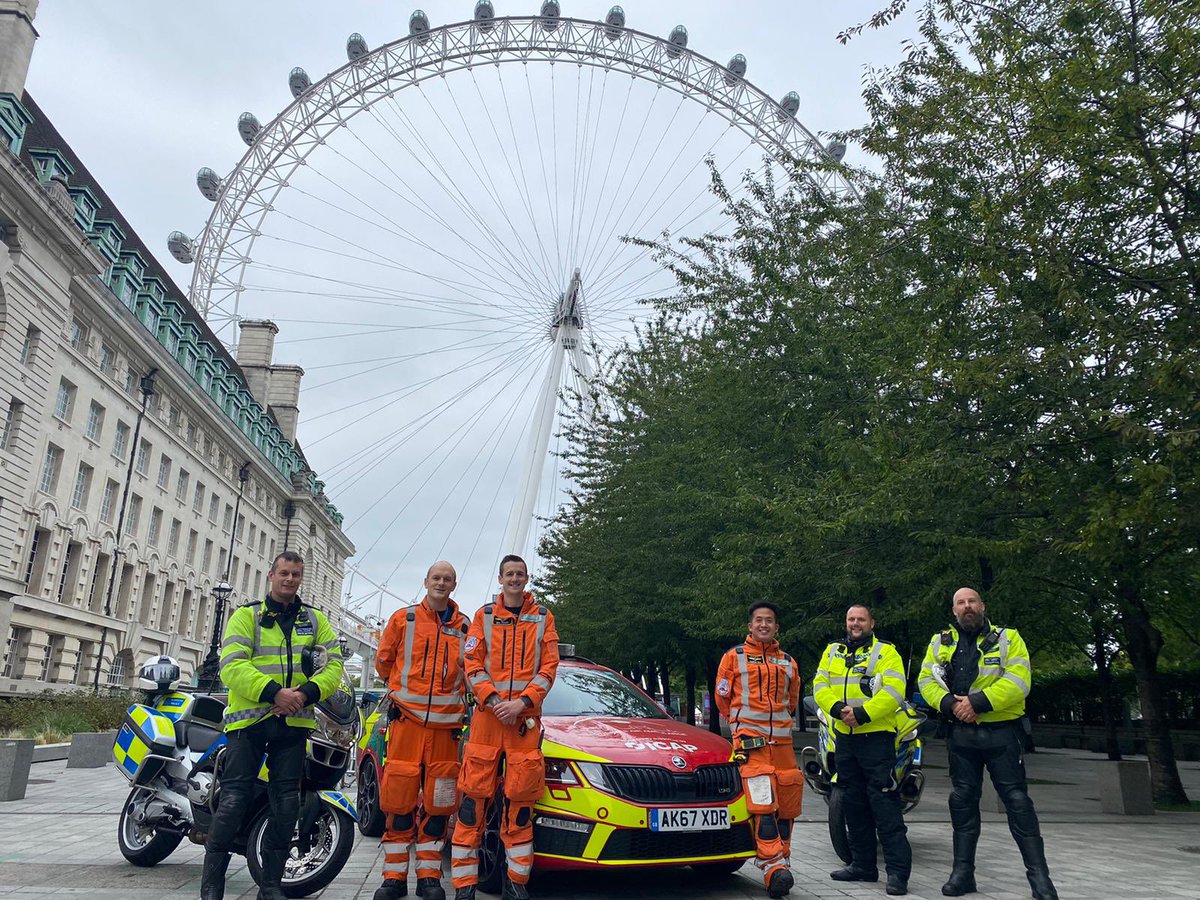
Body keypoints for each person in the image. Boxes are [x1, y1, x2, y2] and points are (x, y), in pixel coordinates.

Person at [201, 551, 344, 900]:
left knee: (285, 805)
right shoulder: (246, 616)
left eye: (296, 574)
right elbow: (231, 666)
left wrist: (307, 693)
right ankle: (211, 888)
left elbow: (333, 665)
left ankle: (270, 886)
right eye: (284, 573)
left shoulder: (314, 620)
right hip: (249, 723)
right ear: (271, 575)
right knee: (233, 800)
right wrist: (274, 693)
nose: (290, 579)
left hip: (293, 724)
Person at [918, 587, 1057, 900]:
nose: (967, 607)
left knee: (1018, 802)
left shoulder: (1009, 638)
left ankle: (1040, 878)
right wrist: (950, 704)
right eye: (960, 603)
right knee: (962, 802)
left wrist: (978, 702)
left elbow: (1020, 680)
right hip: (960, 736)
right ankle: (962, 873)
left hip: (1001, 733)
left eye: (972, 601)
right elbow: (925, 680)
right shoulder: (940, 642)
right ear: (953, 610)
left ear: (982, 606)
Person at [450, 555, 559, 900]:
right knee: (471, 808)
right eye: (509, 574)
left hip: (522, 725)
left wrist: (522, 703)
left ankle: (515, 884)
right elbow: (471, 663)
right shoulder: (483, 616)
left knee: (521, 808)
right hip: (488, 721)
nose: (515, 579)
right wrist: (498, 703)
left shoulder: (543, 618)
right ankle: (464, 888)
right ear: (500, 578)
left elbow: (549, 667)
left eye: (520, 574)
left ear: (526, 579)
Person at [371, 561, 470, 900]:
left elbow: (471, 672)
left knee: (439, 804)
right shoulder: (404, 619)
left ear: (454, 585)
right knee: (398, 802)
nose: (441, 583)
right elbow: (384, 661)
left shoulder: (466, 628)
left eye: (447, 579)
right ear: (426, 581)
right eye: (436, 578)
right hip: (406, 725)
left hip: (446, 733)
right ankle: (394, 879)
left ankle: (429, 877)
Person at [812, 603, 912, 896]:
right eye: (851, 619)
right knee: (852, 804)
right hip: (844, 737)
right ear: (846, 623)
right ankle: (863, 866)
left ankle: (897, 873)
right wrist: (837, 709)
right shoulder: (832, 651)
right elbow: (820, 684)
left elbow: (894, 691)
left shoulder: (886, 652)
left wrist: (863, 713)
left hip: (876, 738)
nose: (855, 623)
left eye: (861, 619)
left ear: (872, 622)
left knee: (883, 804)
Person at [715, 602, 803, 899]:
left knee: (787, 808)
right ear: (750, 626)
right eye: (758, 621)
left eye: (769, 621)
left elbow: (792, 701)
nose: (764, 625)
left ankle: (782, 864)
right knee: (763, 808)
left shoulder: (789, 662)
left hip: (783, 746)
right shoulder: (733, 658)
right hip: (751, 746)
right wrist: (743, 729)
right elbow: (722, 699)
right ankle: (774, 868)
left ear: (777, 627)